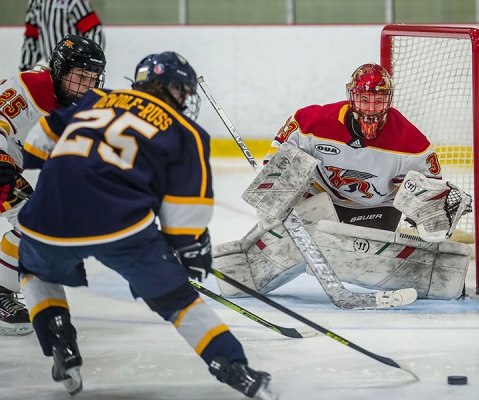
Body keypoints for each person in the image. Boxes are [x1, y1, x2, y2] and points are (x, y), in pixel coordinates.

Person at [17, 51, 276, 399]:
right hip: (120, 227)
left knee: (35, 269)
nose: (185, 99)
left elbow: (35, 145)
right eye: (183, 91)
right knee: (178, 300)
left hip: (47, 215)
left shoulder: (96, 99)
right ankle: (235, 369)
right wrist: (191, 252)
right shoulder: (186, 131)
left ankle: (59, 340)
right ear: (172, 88)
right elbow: (184, 216)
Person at [212, 63, 472, 302]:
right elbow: (278, 161)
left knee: (353, 258)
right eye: (364, 99)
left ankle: (433, 275)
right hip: (320, 200)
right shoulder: (311, 122)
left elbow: (428, 193)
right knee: (288, 241)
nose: (371, 108)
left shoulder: (412, 144)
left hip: (377, 209)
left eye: (378, 100)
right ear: (351, 96)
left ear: (389, 100)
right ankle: (240, 273)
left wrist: (432, 215)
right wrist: (275, 195)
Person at [0, 34, 106, 336]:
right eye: (79, 76)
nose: (85, 85)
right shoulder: (32, 86)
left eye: (91, 78)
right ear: (59, 69)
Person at [20, 0, 106, 72]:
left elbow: (94, 30)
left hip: (74, 68)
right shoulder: (35, 2)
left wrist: (89, 61)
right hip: (51, 66)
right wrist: (26, 68)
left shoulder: (73, 1)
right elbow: (31, 38)